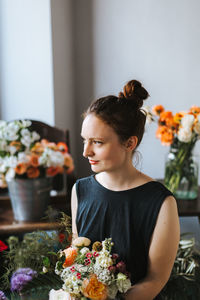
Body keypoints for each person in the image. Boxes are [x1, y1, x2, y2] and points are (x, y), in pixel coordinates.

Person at [71, 79, 180, 300]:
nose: (86, 152)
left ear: (130, 143)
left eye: (98, 142)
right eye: (85, 141)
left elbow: (156, 280)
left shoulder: (161, 203)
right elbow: (76, 262)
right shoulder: (80, 191)